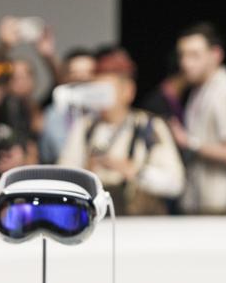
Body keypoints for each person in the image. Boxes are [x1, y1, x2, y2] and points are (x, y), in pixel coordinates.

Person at [58, 47, 185, 215]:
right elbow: (63, 179)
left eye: (106, 91)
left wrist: (134, 170)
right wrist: (87, 173)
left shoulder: (149, 126)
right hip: (96, 220)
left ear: (128, 91)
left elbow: (175, 184)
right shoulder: (84, 128)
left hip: (142, 222)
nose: (101, 98)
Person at [169, 22, 226, 214]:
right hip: (201, 202)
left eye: (195, 55)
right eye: (182, 55)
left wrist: (188, 142)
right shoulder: (201, 88)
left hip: (220, 207)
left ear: (216, 55)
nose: (186, 62)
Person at [39, 47, 96, 163]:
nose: (82, 78)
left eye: (88, 72)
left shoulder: (108, 113)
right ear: (65, 77)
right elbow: (48, 153)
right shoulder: (53, 114)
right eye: (75, 73)